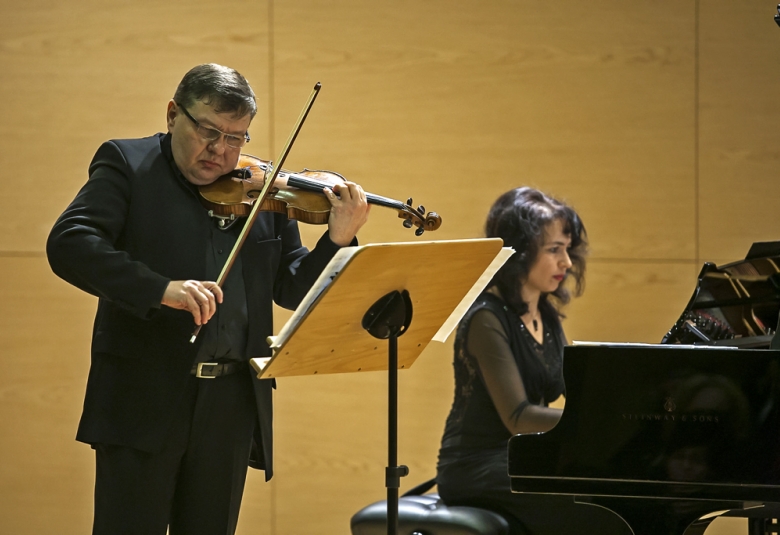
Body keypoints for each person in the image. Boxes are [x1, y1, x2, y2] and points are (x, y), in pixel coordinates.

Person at [46, 63, 370, 535]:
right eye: (209, 131)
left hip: (231, 404)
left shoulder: (263, 188)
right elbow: (70, 243)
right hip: (145, 399)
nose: (222, 151)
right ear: (174, 113)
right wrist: (160, 288)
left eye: (238, 137)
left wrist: (336, 242)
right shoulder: (128, 165)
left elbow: (292, 286)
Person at [435, 187, 630, 535]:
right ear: (520, 253)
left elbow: (576, 393)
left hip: (526, 459)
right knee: (604, 509)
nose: (566, 263)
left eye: (567, 250)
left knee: (623, 490)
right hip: (477, 467)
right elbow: (519, 417)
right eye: (554, 250)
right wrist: (597, 423)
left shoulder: (546, 315)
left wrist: (626, 411)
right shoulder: (485, 318)